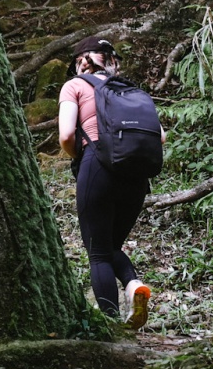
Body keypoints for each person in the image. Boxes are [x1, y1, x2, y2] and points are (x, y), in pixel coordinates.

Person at [57, 36, 162, 329]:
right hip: (137, 173)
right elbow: (161, 137)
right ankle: (133, 286)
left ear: (81, 61)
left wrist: (83, 154)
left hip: (97, 165)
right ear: (111, 60)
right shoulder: (132, 91)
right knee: (111, 245)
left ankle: (110, 324)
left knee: (99, 253)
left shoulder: (74, 86)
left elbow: (66, 135)